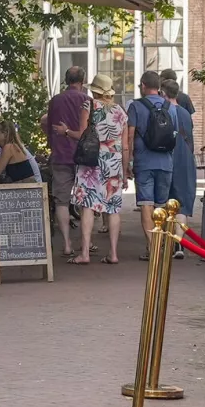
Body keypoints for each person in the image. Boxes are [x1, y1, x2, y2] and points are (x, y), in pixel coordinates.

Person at [126, 70, 190, 260]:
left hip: (144, 161)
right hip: (165, 161)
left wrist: (128, 161)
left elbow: (130, 135)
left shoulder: (136, 106)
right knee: (161, 204)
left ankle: (152, 247)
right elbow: (175, 134)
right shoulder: (170, 107)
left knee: (146, 203)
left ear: (143, 85)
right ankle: (162, 241)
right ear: (159, 87)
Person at [70, 73, 126, 264]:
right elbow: (124, 146)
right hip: (114, 162)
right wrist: (125, 172)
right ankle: (114, 253)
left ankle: (85, 253)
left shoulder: (90, 106)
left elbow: (82, 134)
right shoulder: (121, 111)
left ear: (94, 90)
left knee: (87, 205)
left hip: (92, 161)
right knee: (113, 207)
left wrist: (66, 132)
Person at [42, 65, 90, 258]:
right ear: (83, 81)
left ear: (65, 80)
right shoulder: (87, 100)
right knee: (87, 200)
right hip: (84, 156)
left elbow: (47, 123)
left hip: (61, 154)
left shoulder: (55, 101)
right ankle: (86, 243)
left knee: (61, 200)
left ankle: (67, 243)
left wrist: (52, 142)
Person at [162, 77, 196, 251]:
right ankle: (179, 244)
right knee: (182, 201)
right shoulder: (185, 113)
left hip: (169, 156)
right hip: (186, 158)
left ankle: (168, 243)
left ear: (163, 93)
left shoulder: (163, 111)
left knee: (166, 200)